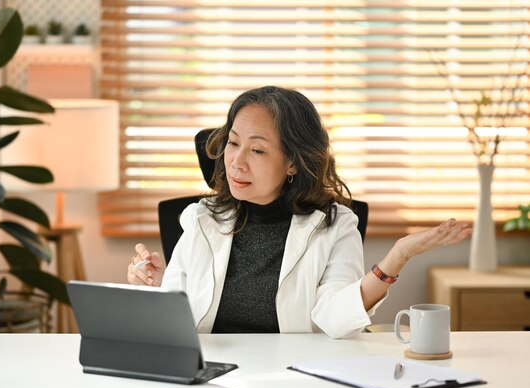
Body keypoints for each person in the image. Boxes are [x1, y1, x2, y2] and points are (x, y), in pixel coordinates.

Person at [127, 86, 471, 338]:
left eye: (257, 150)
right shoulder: (201, 218)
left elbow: (335, 318)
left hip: (296, 377)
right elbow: (177, 320)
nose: (236, 161)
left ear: (292, 162)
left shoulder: (335, 226)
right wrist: (152, 286)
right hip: (214, 379)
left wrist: (397, 257)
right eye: (233, 143)